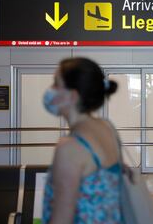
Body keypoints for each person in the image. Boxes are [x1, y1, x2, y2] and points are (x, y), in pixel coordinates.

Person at [41, 57, 123, 224]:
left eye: (56, 84)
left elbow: (62, 218)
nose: (50, 90)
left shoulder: (70, 146)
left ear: (72, 96)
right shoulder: (107, 128)